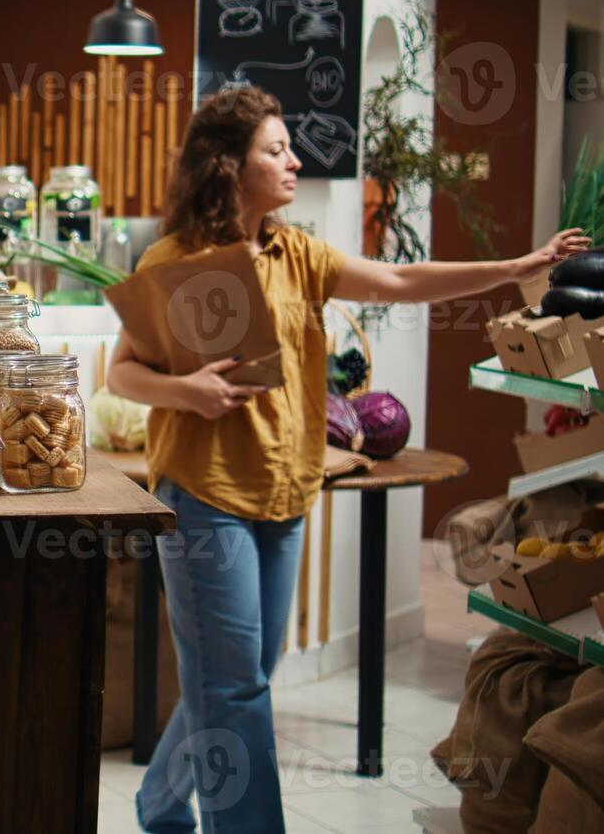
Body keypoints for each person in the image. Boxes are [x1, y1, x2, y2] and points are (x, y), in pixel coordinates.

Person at [109, 86, 588, 833]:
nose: (295, 159)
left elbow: (398, 280)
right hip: (205, 493)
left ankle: (159, 801)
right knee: (234, 689)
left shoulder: (295, 253)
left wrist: (512, 267)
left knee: (234, 679)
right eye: (275, 149)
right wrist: (187, 390)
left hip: (285, 490)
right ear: (228, 166)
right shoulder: (176, 260)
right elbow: (120, 374)